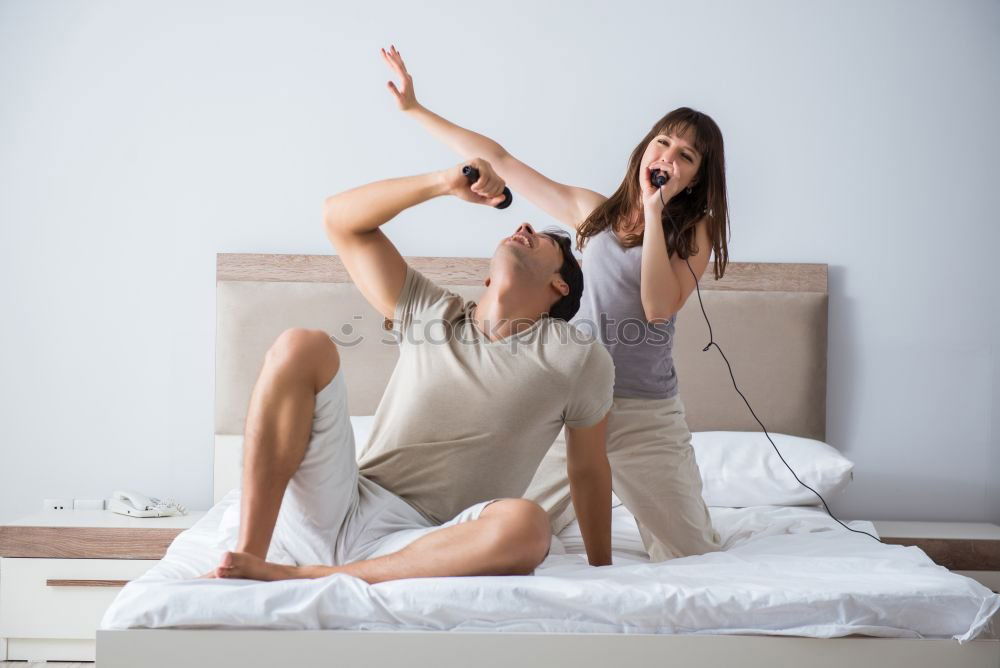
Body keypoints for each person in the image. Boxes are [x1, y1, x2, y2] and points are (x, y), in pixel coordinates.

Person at [381, 43, 730, 561]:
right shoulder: (592, 214)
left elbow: (658, 306)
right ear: (644, 149)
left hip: (643, 411)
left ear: (696, 177)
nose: (668, 159)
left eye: (686, 156)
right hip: (566, 399)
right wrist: (415, 110)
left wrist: (656, 216)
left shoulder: (693, 234)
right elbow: (500, 159)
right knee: (495, 530)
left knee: (691, 554)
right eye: (663, 144)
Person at [198, 157, 615, 583]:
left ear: (561, 286)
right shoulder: (432, 310)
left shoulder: (578, 357)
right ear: (488, 279)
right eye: (523, 228)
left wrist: (604, 573)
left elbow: (588, 469)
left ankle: (315, 576)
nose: (524, 227)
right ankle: (249, 559)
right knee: (301, 345)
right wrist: (442, 184)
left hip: (423, 542)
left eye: (546, 240)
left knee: (529, 524)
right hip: (341, 502)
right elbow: (340, 219)